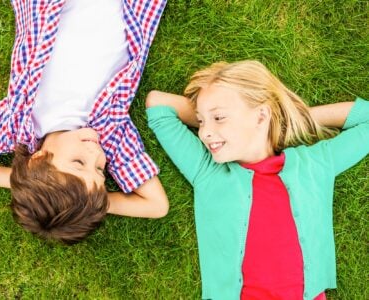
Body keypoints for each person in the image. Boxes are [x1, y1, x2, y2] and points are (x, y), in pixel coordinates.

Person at [0, 0, 169, 245]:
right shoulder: (111, 132)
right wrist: (86, 202)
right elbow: (157, 206)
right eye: (100, 171)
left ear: (38, 159)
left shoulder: (16, 122)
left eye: (79, 162)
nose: (95, 154)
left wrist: (27, 181)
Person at [145, 60, 368, 299]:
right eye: (200, 121)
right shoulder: (208, 172)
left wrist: (287, 121)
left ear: (261, 115)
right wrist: (219, 122)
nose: (204, 132)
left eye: (219, 117)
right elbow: (157, 104)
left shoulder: (313, 165)